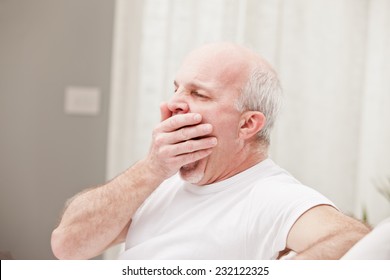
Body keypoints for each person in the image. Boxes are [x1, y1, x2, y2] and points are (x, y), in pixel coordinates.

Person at [51, 42, 369, 260]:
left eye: (198, 93)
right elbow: (67, 245)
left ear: (248, 125)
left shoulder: (271, 195)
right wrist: (151, 169)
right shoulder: (158, 180)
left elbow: (355, 243)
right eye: (176, 88)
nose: (174, 102)